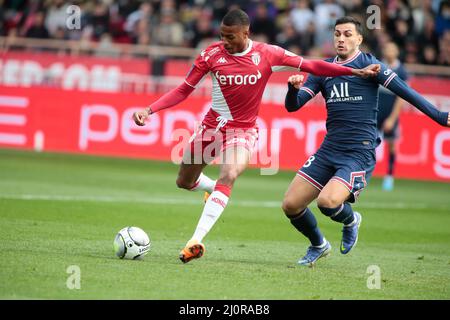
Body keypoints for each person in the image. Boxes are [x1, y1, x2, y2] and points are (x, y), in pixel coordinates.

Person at [133, 10, 380, 264]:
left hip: (243, 130)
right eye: (222, 35)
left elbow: (312, 65)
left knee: (228, 175)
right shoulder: (211, 54)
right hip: (210, 127)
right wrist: (150, 109)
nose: (225, 41)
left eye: (231, 36)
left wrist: (354, 72)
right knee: (184, 181)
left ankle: (195, 240)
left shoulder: (268, 54)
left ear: (245, 33)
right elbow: (184, 89)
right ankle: (210, 189)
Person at [283, 16, 450, 267]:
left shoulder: (371, 66)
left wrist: (438, 116)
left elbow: (406, 92)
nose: (341, 38)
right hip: (330, 149)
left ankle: (351, 221)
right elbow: (293, 107)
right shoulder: (324, 70)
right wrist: (293, 89)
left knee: (327, 202)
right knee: (290, 205)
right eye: (337, 34)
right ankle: (318, 244)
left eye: (348, 34)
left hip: (358, 151)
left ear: (359, 39)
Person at [376, 42, 409, 191]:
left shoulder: (401, 71)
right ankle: (361, 172)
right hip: (375, 111)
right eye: (387, 48)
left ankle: (389, 176)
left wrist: (393, 118)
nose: (389, 51)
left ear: (396, 52)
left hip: (389, 113)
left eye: (392, 49)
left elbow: (402, 97)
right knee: (366, 141)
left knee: (391, 145)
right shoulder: (378, 66)